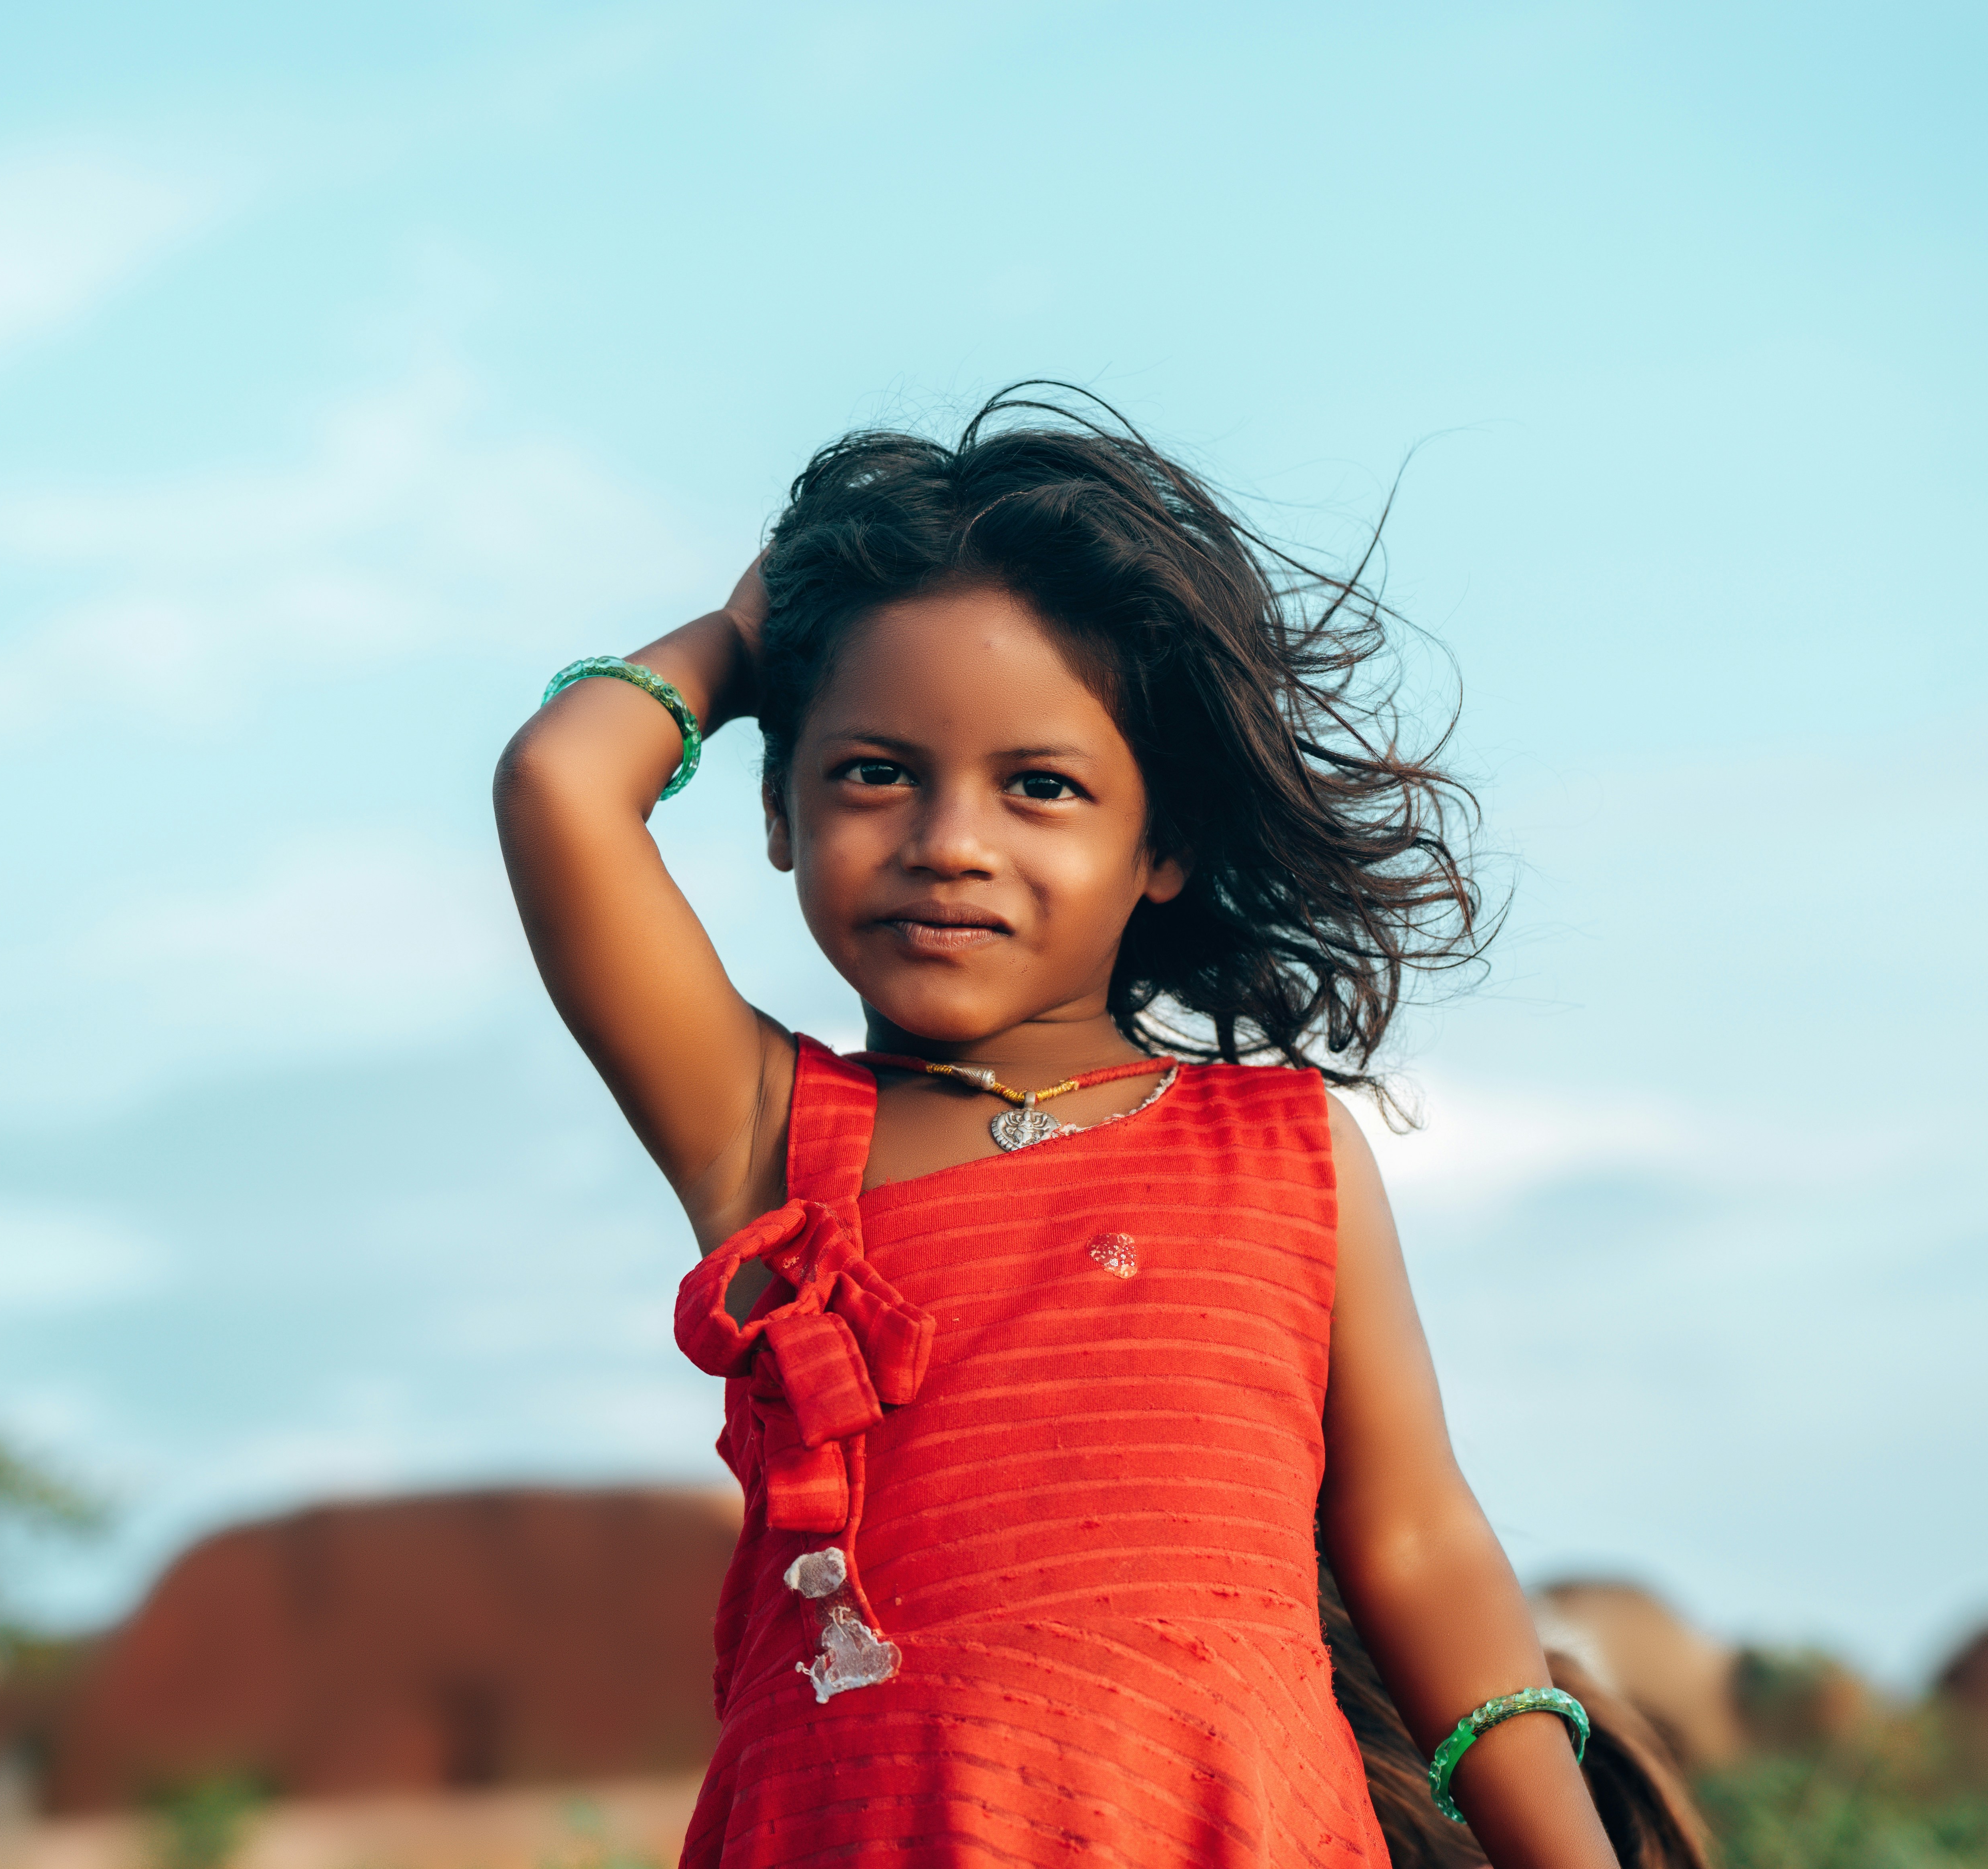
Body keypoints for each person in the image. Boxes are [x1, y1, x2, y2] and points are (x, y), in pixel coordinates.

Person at [494, 387, 1662, 1867]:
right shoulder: (774, 1138)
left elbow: (1417, 1539)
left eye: (1039, 787)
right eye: (872, 772)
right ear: (779, 809)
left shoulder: (1283, 1153)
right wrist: (752, 633)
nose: (949, 843)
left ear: (1160, 844)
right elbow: (559, 783)